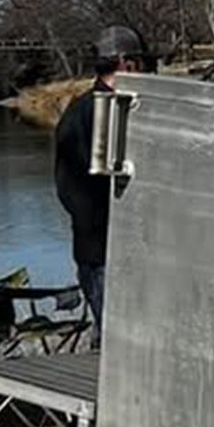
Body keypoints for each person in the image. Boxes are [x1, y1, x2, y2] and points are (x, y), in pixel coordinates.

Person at [51, 26, 141, 326]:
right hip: (102, 251)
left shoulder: (83, 110)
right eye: (140, 63)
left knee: (113, 337)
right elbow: (72, 190)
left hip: (102, 247)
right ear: (127, 63)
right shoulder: (92, 112)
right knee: (115, 335)